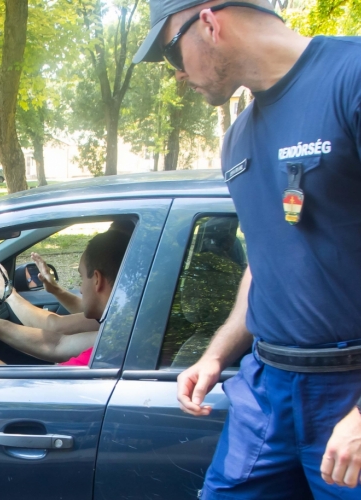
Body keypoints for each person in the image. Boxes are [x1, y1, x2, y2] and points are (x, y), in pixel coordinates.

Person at [134, 0, 361, 497]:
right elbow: (264, 262)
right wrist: (216, 355)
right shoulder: (237, 139)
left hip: (350, 389)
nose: (176, 76)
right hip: (265, 387)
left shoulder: (352, 77)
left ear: (209, 23)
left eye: (171, 54)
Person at [0, 224, 133, 365]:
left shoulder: (108, 352)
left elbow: (12, 388)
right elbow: (56, 343)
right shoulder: (126, 327)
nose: (80, 288)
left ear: (97, 279)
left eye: (81, 277)